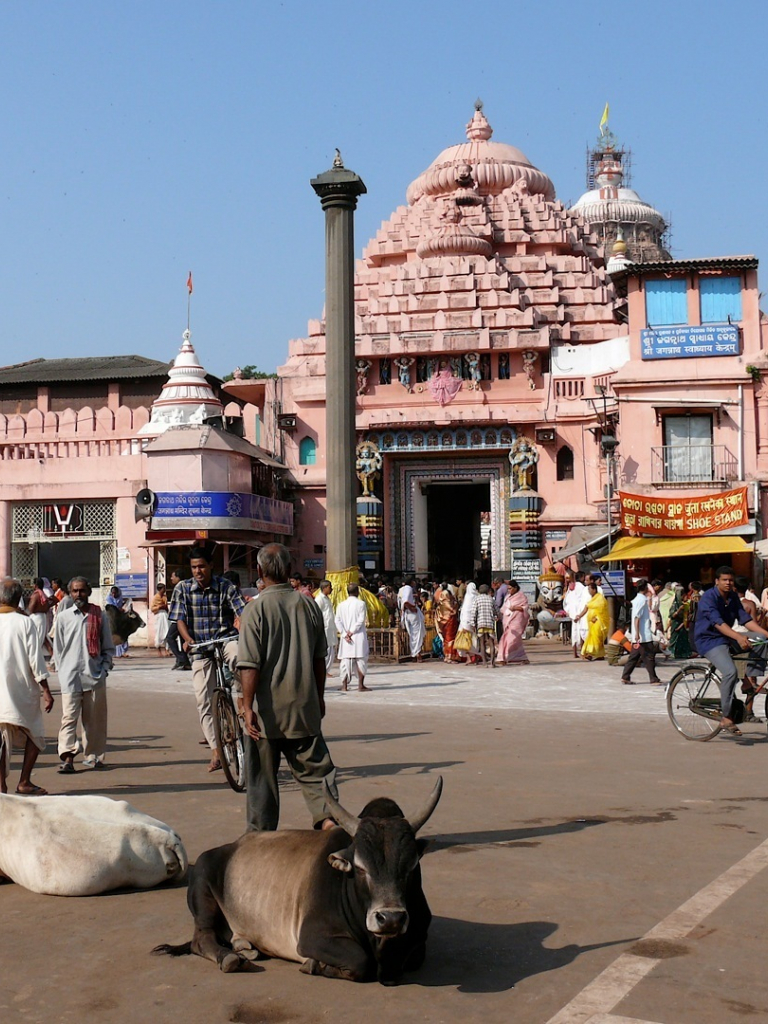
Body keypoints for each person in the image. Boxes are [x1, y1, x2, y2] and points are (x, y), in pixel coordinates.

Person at [237, 543, 338, 831]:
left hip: (268, 714)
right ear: (288, 570)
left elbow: (249, 665)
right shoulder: (308, 605)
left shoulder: (254, 610)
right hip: (304, 707)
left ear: (259, 571)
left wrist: (246, 707)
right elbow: (320, 659)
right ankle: (329, 821)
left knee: (262, 781)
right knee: (317, 773)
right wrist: (318, 697)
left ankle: (261, 837)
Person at [168, 543, 245, 772]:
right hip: (200, 647)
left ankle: (242, 699)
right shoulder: (182, 589)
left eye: (201, 566)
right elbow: (179, 619)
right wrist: (188, 638)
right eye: (194, 567)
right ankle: (216, 749)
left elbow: (242, 611)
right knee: (203, 700)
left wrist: (248, 629)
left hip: (225, 641)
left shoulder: (226, 586)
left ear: (211, 566)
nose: (198, 571)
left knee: (240, 657)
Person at [693, 565, 768, 735]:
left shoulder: (733, 597)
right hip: (709, 641)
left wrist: (765, 633)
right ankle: (726, 717)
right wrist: (738, 637)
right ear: (717, 581)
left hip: (727, 637)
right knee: (729, 672)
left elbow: (745, 620)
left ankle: (749, 681)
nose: (728, 583)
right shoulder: (708, 599)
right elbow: (718, 623)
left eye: (730, 580)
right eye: (725, 580)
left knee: (761, 640)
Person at [54, 576, 115, 772]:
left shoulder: (99, 615)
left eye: (81, 590)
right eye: (74, 591)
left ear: (88, 591)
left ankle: (93, 757)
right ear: (70, 593)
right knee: (69, 718)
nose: (78, 594)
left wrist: (104, 669)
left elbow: (107, 646)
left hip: (94, 675)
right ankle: (68, 758)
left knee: (94, 720)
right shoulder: (63, 617)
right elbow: (58, 649)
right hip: (70, 676)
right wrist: (62, 671)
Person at [0, 577, 54, 795]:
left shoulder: (23, 622)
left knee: (2, 738)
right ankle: (24, 781)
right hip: (21, 689)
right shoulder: (25, 623)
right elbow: (36, 659)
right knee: (36, 734)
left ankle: (1, 785)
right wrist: (46, 690)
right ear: (18, 599)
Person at [621, 579, 662, 686]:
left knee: (634, 657)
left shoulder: (639, 599)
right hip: (642, 634)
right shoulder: (641, 600)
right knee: (649, 657)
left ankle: (625, 676)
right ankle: (653, 679)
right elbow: (637, 617)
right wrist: (637, 633)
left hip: (640, 634)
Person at [335, 583, 371, 692]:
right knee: (361, 660)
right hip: (358, 635)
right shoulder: (361, 604)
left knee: (345, 662)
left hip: (346, 637)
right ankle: (360, 685)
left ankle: (344, 686)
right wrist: (352, 632)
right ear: (357, 592)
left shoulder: (341, 605)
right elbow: (361, 620)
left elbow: (337, 620)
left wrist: (345, 634)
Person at [497, 580, 530, 665]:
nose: (509, 590)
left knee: (512, 639)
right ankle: (520, 657)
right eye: (508, 589)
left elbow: (525, 607)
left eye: (510, 588)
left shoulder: (521, 596)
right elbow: (504, 607)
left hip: (517, 620)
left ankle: (506, 657)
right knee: (506, 639)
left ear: (515, 588)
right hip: (508, 620)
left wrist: (516, 608)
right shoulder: (507, 597)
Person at [580, 582, 610, 660]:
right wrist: (579, 616)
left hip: (598, 622)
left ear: (594, 589)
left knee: (596, 638)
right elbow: (586, 608)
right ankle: (600, 655)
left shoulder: (600, 598)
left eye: (590, 589)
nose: (589, 591)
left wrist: (596, 617)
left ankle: (590, 653)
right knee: (592, 638)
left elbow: (603, 610)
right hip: (591, 623)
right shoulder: (591, 600)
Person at [398, 578, 425, 661]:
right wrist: (412, 608)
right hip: (412, 614)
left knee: (413, 634)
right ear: (412, 582)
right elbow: (405, 601)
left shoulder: (401, 589)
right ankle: (417, 655)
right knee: (417, 634)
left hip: (407, 614)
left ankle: (414, 654)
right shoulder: (408, 588)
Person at [563, 573, 589, 660]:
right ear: (582, 577)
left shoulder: (571, 588)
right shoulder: (583, 588)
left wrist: (569, 612)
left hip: (573, 614)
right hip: (581, 613)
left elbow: (566, 601)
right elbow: (585, 601)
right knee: (582, 632)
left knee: (574, 633)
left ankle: (574, 653)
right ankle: (582, 652)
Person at [314, 580, 337, 676]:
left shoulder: (327, 599)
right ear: (324, 588)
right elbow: (317, 613)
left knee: (331, 650)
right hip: (325, 628)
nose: (331, 589)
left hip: (330, 628)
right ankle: (324, 670)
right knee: (326, 650)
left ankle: (326, 670)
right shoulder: (319, 599)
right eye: (329, 587)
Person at [434, 583, 460, 663]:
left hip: (443, 621)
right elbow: (452, 609)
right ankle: (449, 656)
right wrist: (456, 605)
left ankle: (447, 655)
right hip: (449, 620)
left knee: (446, 638)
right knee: (450, 638)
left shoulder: (440, 605)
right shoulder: (447, 603)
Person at [667, 584, 693, 660]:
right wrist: (679, 610)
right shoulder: (675, 605)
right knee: (675, 638)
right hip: (676, 623)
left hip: (682, 624)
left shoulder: (685, 604)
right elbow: (672, 615)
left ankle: (683, 653)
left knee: (683, 638)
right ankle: (673, 652)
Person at [27, 577, 52, 656]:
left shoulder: (36, 595)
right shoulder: (43, 594)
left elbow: (31, 608)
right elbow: (50, 603)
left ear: (36, 585)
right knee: (42, 638)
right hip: (42, 617)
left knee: (35, 639)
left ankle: (35, 656)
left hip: (36, 617)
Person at [106, 586, 130, 658]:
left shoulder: (120, 597)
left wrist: (124, 604)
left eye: (115, 593)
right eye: (112, 593)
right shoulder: (109, 598)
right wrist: (119, 609)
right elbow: (113, 608)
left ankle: (123, 651)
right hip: (113, 618)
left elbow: (119, 606)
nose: (114, 595)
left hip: (120, 618)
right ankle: (116, 652)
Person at [150, 583, 170, 657]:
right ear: (160, 589)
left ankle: (167, 650)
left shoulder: (164, 597)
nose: (164, 590)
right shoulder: (155, 597)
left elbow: (166, 607)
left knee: (167, 632)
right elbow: (152, 608)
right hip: (159, 615)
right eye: (163, 588)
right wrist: (159, 607)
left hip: (165, 615)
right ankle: (159, 651)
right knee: (158, 633)